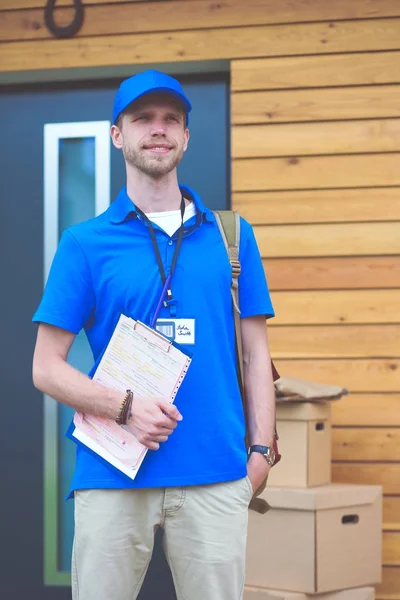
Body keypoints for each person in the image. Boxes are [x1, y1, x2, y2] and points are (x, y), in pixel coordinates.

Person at [32, 69, 276, 600]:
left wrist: (260, 454)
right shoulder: (84, 243)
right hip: (113, 473)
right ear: (118, 135)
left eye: (171, 120)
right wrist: (125, 406)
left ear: (186, 136)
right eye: (142, 118)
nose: (158, 129)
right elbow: (45, 367)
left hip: (216, 474)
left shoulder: (232, 237)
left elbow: (257, 355)